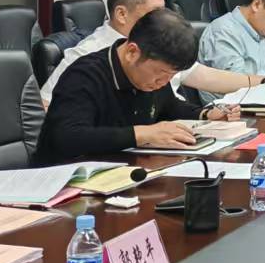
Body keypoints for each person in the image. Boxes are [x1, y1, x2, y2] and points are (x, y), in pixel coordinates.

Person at [35, 8, 238, 164]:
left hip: (123, 172)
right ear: (132, 52)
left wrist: (206, 114)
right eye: (161, 74)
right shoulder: (85, 75)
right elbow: (68, 137)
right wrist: (142, 134)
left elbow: (169, 107)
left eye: (171, 76)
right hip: (67, 180)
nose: (163, 82)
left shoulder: (151, 77)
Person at [42, 0, 256, 106]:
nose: (162, 18)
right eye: (154, 12)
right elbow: (46, 105)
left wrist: (264, 81)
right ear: (121, 14)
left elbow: (207, 77)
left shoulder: (161, 43)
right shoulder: (87, 54)